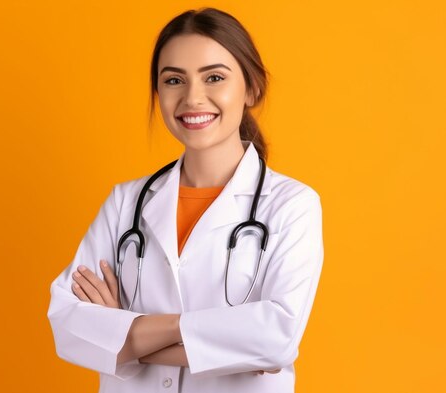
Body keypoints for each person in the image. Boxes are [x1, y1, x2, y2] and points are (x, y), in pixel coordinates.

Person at [47, 7, 324, 393]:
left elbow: (276, 339)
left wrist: (123, 334)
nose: (193, 98)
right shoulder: (124, 203)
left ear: (253, 87)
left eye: (214, 77)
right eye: (174, 80)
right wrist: (220, 338)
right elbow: (68, 324)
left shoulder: (291, 206)